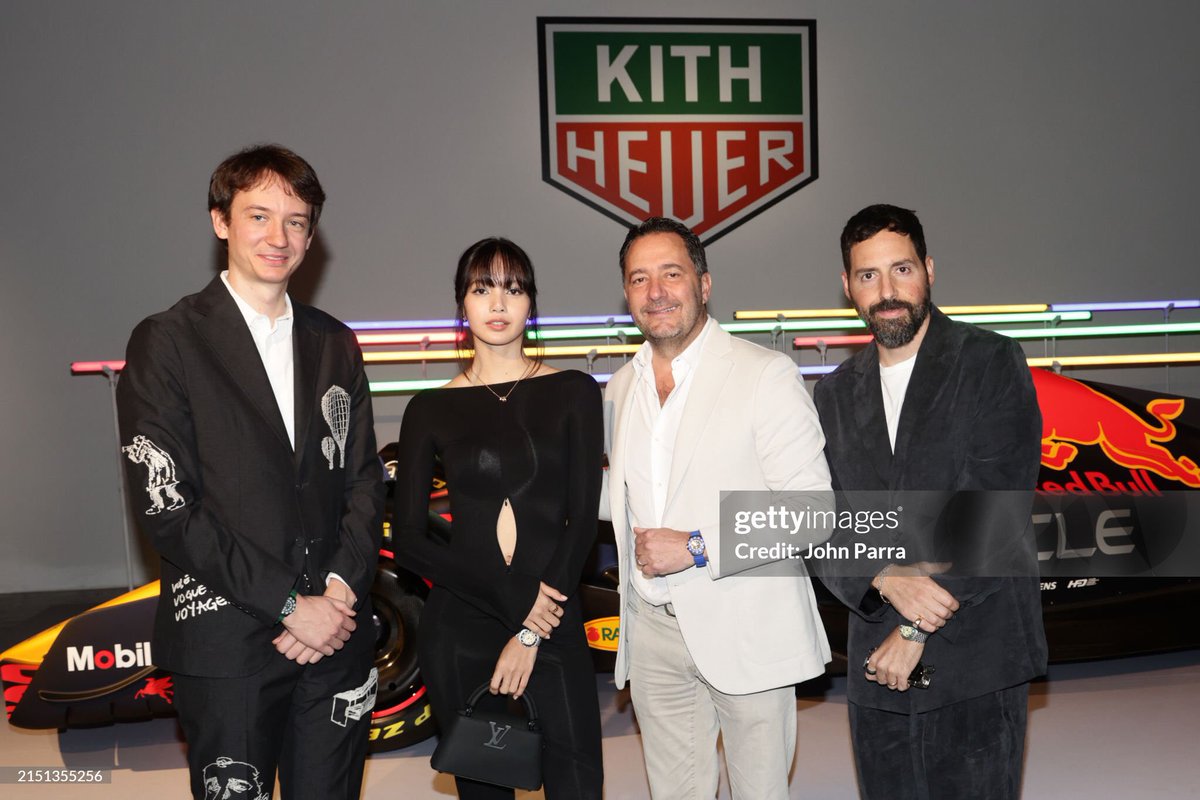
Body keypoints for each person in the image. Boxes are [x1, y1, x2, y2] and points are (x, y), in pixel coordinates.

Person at [115, 144, 385, 800]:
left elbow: (364, 479)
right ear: (221, 222)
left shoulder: (335, 342)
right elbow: (170, 510)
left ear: (312, 236)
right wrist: (292, 606)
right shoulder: (168, 341)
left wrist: (338, 598)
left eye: (296, 221)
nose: (278, 236)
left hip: (336, 637)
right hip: (227, 641)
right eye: (258, 216)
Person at [812, 204, 1047, 799]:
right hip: (875, 662)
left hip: (976, 651)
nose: (887, 292)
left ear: (930, 269)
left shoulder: (991, 361)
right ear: (847, 286)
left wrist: (916, 628)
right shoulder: (834, 394)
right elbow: (821, 518)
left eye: (901, 269)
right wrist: (884, 580)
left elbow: (996, 509)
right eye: (868, 276)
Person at [604, 217, 833, 799]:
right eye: (639, 278)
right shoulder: (619, 388)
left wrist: (698, 545)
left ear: (704, 285)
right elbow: (621, 500)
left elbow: (812, 510)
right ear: (627, 293)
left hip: (747, 626)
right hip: (653, 633)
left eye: (671, 273)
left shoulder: (766, 374)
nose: (655, 291)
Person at [392, 238, 604, 799]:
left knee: (577, 778)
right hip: (462, 625)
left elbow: (582, 519)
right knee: (486, 785)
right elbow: (410, 539)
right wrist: (515, 609)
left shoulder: (574, 392)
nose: (498, 302)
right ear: (462, 304)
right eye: (482, 288)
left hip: (551, 614)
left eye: (513, 288)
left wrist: (533, 629)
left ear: (531, 303)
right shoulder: (429, 408)